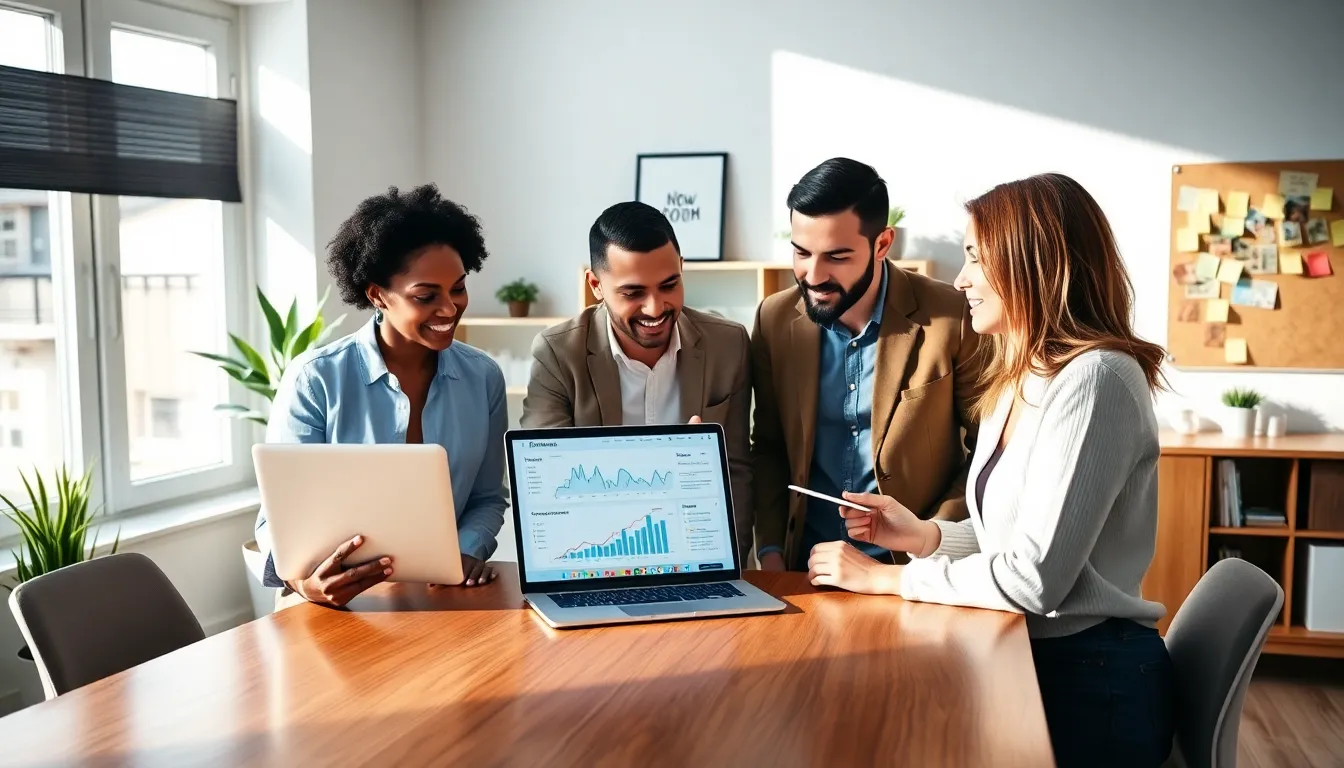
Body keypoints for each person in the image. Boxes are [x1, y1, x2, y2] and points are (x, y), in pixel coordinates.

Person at [807, 173, 1175, 766]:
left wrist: (886, 579)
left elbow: (1035, 580)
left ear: (1034, 264)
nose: (961, 279)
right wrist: (924, 536)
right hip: (1037, 658)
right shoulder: (1023, 377)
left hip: (1092, 681)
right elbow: (1015, 538)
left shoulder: (1097, 380)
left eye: (976, 257)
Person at [255, 183, 508, 608]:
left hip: (443, 601)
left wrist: (464, 552)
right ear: (377, 295)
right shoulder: (315, 379)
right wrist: (304, 582)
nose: (450, 308)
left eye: (458, 288)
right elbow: (277, 520)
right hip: (334, 607)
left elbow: (486, 498)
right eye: (426, 296)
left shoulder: (483, 377)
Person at [751, 158, 981, 572]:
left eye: (836, 257)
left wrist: (932, 539)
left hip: (913, 571)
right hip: (804, 571)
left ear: (882, 243)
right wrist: (769, 551)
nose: (813, 275)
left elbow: (990, 452)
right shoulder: (774, 319)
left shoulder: (953, 316)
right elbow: (768, 446)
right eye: (801, 252)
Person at [521, 201, 754, 563]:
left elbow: (737, 470)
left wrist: (727, 563)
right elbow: (547, 489)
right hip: (596, 559)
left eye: (669, 285)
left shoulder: (729, 344)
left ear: (682, 269)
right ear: (596, 285)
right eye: (633, 293)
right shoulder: (557, 354)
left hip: (699, 553)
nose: (655, 308)